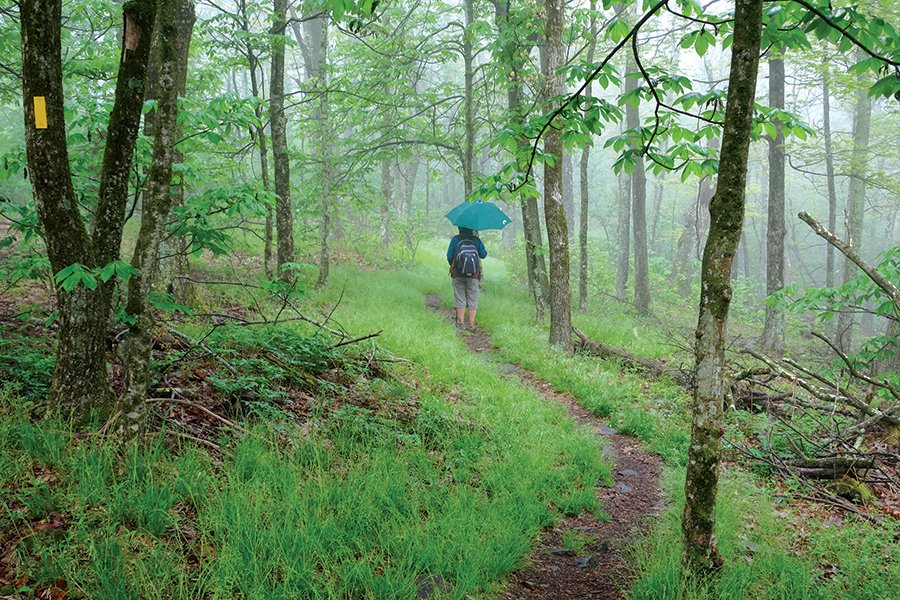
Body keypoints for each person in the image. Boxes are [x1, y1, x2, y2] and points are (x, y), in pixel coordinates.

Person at [447, 226, 487, 330]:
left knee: (459, 297)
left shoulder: (455, 239)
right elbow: (483, 254)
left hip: (458, 273)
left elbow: (449, 256)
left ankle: (460, 324)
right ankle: (471, 324)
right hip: (473, 274)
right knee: (472, 298)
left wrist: (455, 264)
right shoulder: (476, 240)